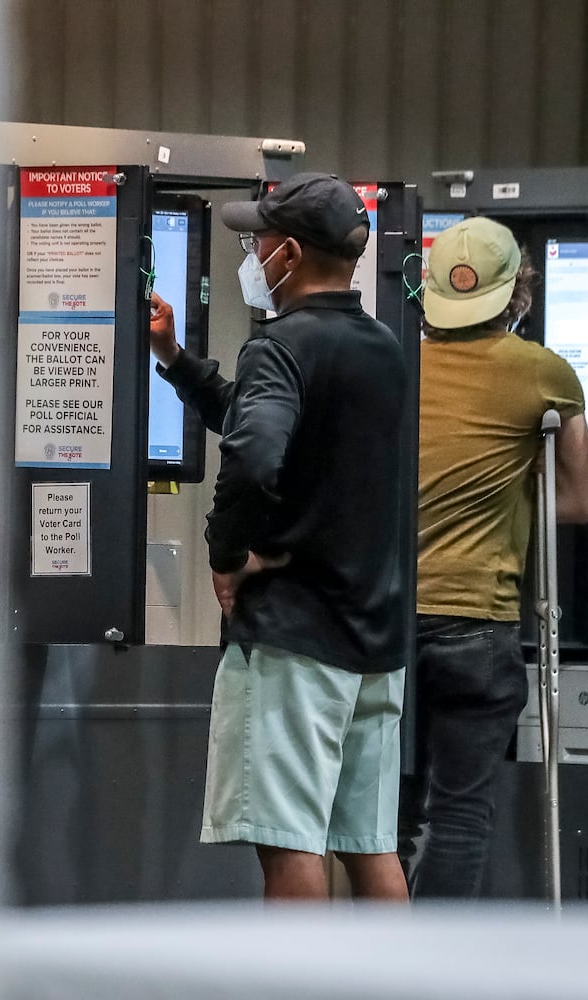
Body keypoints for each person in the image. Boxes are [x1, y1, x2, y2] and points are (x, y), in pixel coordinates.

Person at [148, 173, 409, 902]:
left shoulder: (280, 346)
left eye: (255, 240)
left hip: (296, 637)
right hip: (373, 638)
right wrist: (176, 361)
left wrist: (228, 555)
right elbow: (262, 421)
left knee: (290, 844)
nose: (251, 252)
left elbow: (254, 452)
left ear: (287, 254)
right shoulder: (381, 347)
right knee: (369, 846)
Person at [397, 217, 588, 899]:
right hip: (475, 625)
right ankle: (439, 969)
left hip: (384, 622)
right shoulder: (542, 372)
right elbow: (574, 501)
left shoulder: (394, 359)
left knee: (384, 818)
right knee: (456, 811)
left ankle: (375, 966)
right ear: (518, 293)